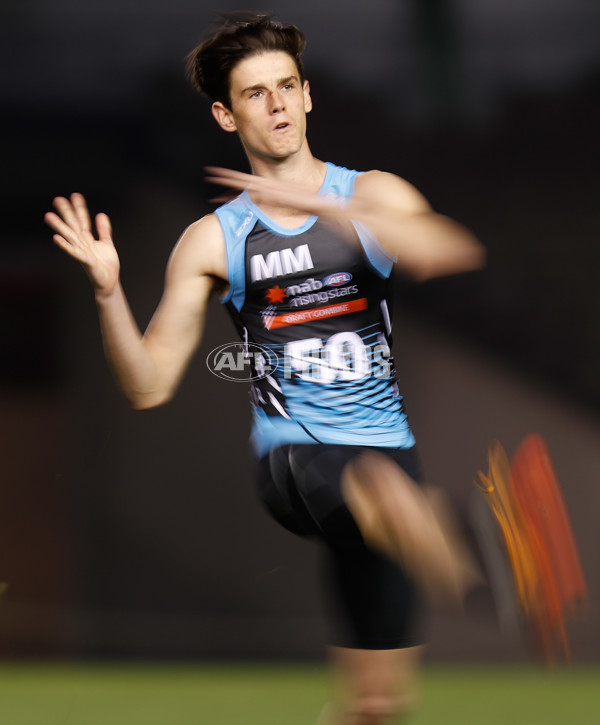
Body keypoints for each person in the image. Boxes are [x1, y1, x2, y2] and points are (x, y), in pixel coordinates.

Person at [45, 13, 486, 725]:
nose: (277, 104)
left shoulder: (368, 195)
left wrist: (324, 209)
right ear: (226, 114)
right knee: (382, 494)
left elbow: (447, 249)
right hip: (297, 461)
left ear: (308, 95)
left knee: (375, 707)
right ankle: (480, 561)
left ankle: (448, 556)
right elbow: (147, 383)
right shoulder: (213, 239)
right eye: (256, 93)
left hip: (388, 458)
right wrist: (108, 293)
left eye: (286, 86)